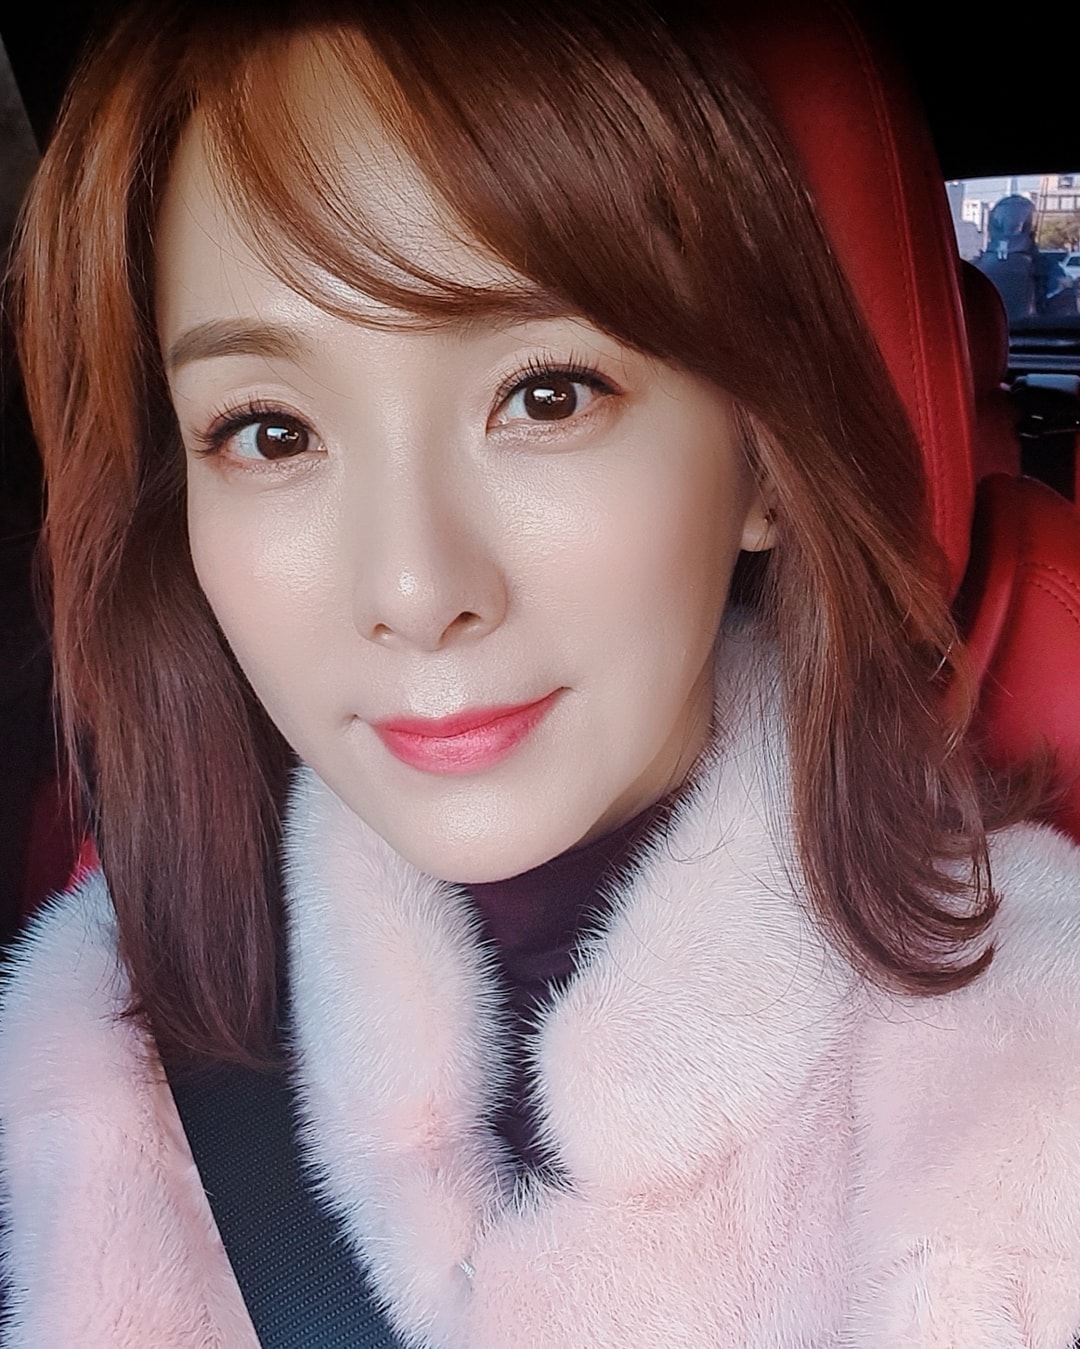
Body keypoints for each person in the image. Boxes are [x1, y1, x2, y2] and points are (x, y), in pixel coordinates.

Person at [3, 1, 1080, 1344]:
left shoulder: (1027, 1065)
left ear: (760, 461)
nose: (414, 590)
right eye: (269, 430)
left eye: (547, 395)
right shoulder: (102, 1052)